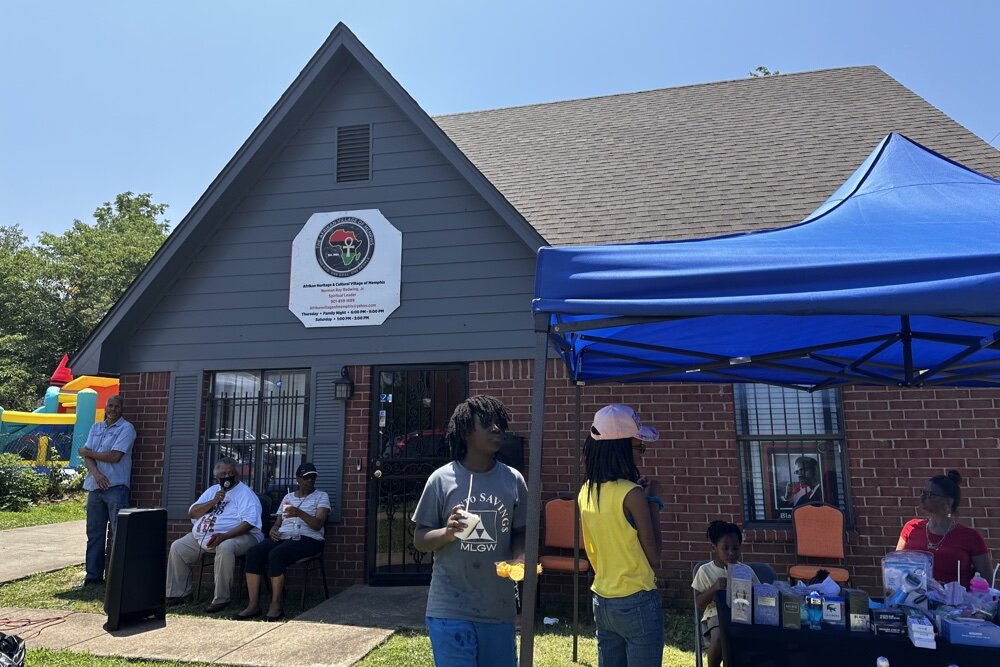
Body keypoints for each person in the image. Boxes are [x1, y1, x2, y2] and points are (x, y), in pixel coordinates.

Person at [412, 396, 528, 667]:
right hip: (449, 607)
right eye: (487, 424)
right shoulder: (441, 480)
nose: (497, 429)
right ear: (465, 432)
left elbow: (521, 531)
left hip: (498, 608)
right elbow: (420, 539)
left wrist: (520, 558)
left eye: (500, 423)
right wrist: (447, 533)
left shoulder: (514, 480)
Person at [578, 404, 664, 667]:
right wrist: (652, 502)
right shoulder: (634, 494)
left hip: (602, 599)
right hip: (637, 599)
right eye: (639, 446)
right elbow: (654, 555)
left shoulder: (585, 491)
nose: (642, 453)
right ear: (622, 447)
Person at [233, 462, 330, 621]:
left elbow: (318, 524)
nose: (310, 481)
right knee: (254, 553)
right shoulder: (288, 497)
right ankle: (253, 605)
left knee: (276, 554)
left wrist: (298, 512)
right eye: (306, 478)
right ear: (298, 479)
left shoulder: (321, 496)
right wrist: (273, 530)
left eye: (313, 477)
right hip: (284, 536)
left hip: (309, 539)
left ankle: (276, 604)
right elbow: (278, 523)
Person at [165, 457, 263, 613]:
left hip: (241, 537)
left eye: (230, 473)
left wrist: (224, 537)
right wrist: (212, 502)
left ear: (237, 474)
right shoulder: (212, 491)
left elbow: (249, 523)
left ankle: (221, 598)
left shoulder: (245, 494)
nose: (227, 477)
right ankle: (179, 594)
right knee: (178, 547)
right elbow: (192, 512)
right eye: (223, 474)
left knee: (225, 547)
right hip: (205, 537)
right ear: (217, 477)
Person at [896, 470, 991, 587]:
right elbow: (895, 567)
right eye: (923, 492)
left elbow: (987, 584)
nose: (923, 497)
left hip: (955, 602)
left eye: (930, 494)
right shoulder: (912, 527)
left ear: (948, 502)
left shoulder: (971, 537)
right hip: (913, 600)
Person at [78, 395, 136, 586]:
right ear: (105, 407)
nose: (113, 409)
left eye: (117, 406)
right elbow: (88, 457)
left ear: (122, 409)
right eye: (110, 405)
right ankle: (93, 577)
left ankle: (119, 578)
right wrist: (96, 474)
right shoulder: (96, 427)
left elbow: (114, 456)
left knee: (119, 534)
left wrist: (87, 452)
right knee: (94, 534)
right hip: (95, 486)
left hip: (116, 487)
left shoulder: (126, 428)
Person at [692, 521, 759, 667]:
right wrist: (715, 588)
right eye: (725, 548)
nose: (731, 553)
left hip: (744, 612)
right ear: (714, 547)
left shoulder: (746, 571)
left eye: (735, 548)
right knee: (719, 640)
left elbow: (759, 595)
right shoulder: (705, 571)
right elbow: (699, 602)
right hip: (716, 613)